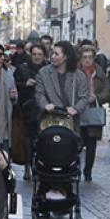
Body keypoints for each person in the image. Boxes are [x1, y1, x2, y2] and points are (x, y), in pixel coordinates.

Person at [36, 41, 89, 200]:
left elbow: (84, 96)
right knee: (48, 153)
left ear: (65, 57)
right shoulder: (44, 73)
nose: (52, 56)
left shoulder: (78, 75)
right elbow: (39, 93)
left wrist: (76, 108)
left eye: (56, 54)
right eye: (52, 53)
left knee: (68, 154)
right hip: (49, 120)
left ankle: (65, 188)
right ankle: (46, 189)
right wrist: (46, 105)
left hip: (69, 121)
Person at [78, 44, 109, 182]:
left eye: (90, 57)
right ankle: (75, 169)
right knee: (76, 144)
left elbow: (107, 91)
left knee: (91, 145)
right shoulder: (75, 72)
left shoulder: (99, 73)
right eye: (84, 57)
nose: (87, 60)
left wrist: (97, 97)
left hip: (93, 113)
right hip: (78, 113)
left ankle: (88, 171)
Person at [14, 43, 47, 163]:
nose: (37, 57)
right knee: (28, 139)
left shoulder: (48, 69)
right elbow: (14, 86)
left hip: (45, 109)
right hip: (27, 109)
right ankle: (28, 164)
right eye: (34, 54)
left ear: (44, 56)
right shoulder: (23, 68)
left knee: (43, 138)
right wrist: (24, 84)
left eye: (39, 54)